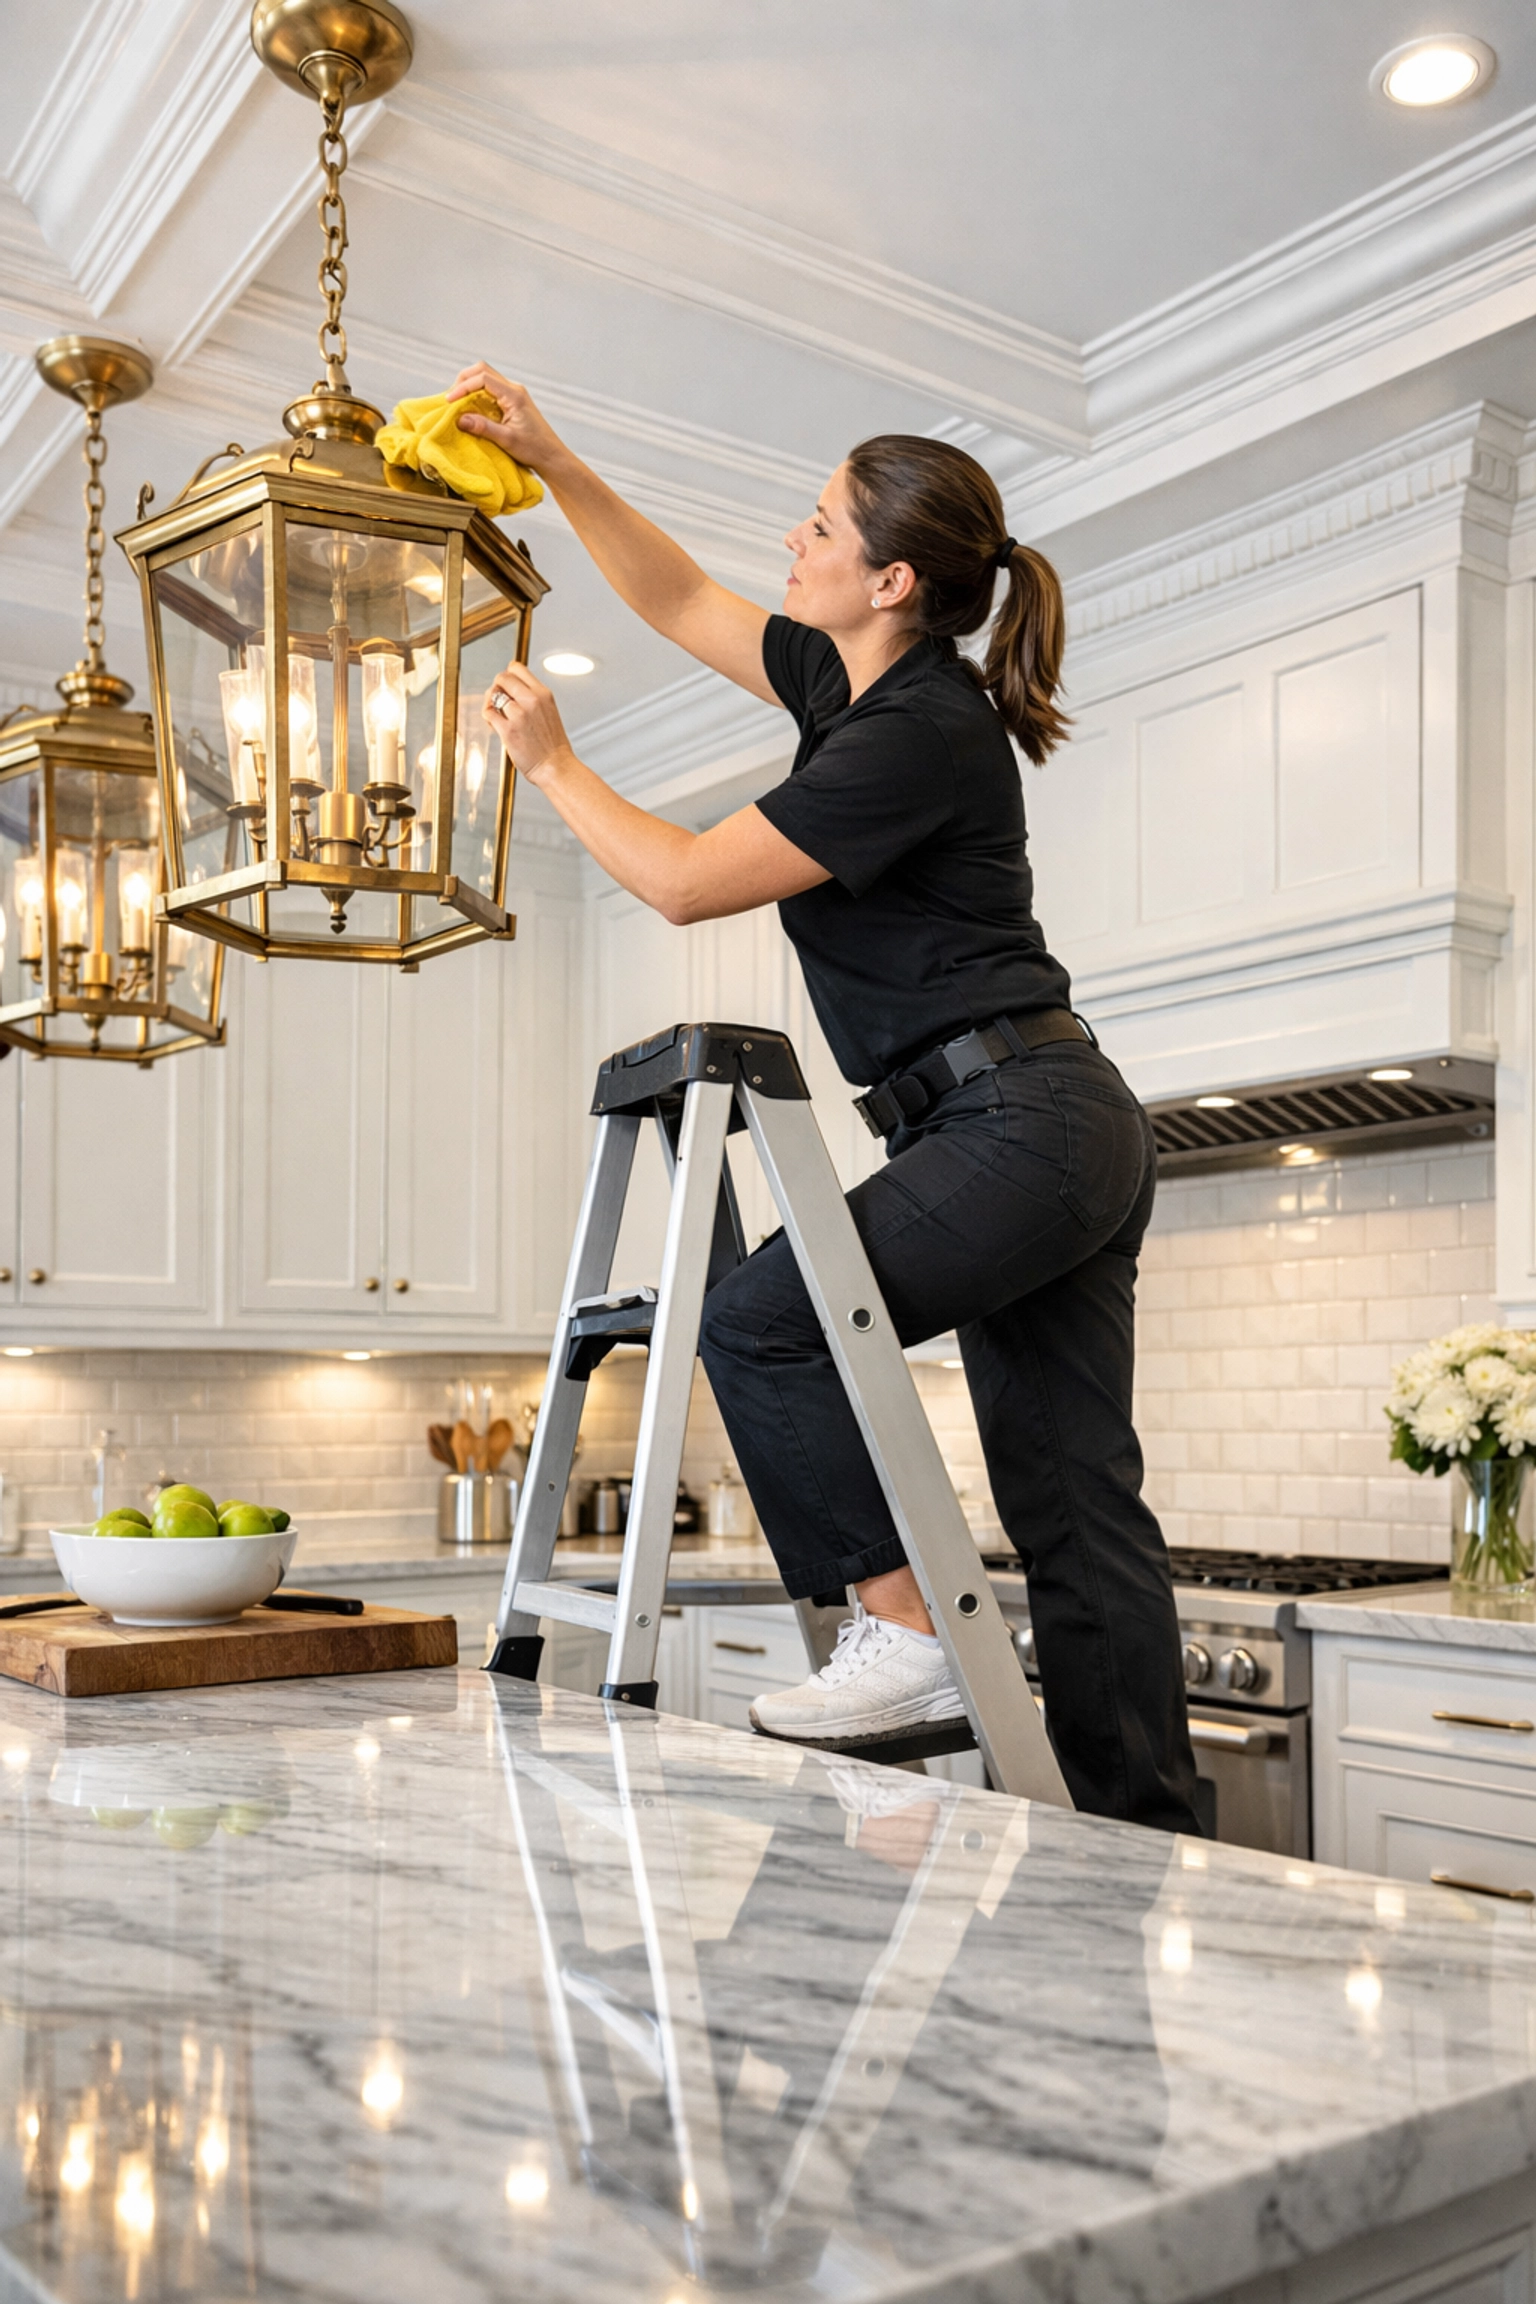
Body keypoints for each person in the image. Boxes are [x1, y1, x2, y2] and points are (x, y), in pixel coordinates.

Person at [454, 363, 1200, 1834]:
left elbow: (681, 883)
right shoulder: (844, 684)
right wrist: (554, 456)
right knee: (1072, 1506)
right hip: (1039, 1120)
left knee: (759, 1321)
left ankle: (905, 1635)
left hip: (1021, 1120)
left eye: (816, 529)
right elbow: (676, 598)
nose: (791, 546)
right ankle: (1142, 1848)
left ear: (891, 580)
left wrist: (554, 766)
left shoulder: (917, 731)